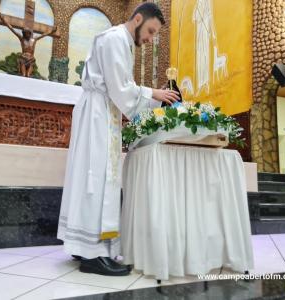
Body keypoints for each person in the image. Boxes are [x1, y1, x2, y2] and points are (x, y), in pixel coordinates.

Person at [57, 2, 180, 276]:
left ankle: (83, 246)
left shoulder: (122, 41)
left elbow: (122, 90)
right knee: (96, 178)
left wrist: (150, 98)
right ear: (137, 19)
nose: (149, 39)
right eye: (150, 31)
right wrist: (154, 94)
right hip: (98, 114)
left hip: (103, 112)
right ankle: (93, 254)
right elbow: (121, 90)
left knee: (95, 177)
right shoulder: (114, 39)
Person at [0, 11, 57, 77]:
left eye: (28, 33)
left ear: (30, 33)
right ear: (24, 33)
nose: (27, 34)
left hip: (31, 60)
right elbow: (12, 29)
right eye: (25, 33)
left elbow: (44, 34)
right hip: (23, 59)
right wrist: (3, 20)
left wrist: (52, 31)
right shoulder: (22, 39)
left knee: (28, 75)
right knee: (23, 75)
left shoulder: (34, 39)